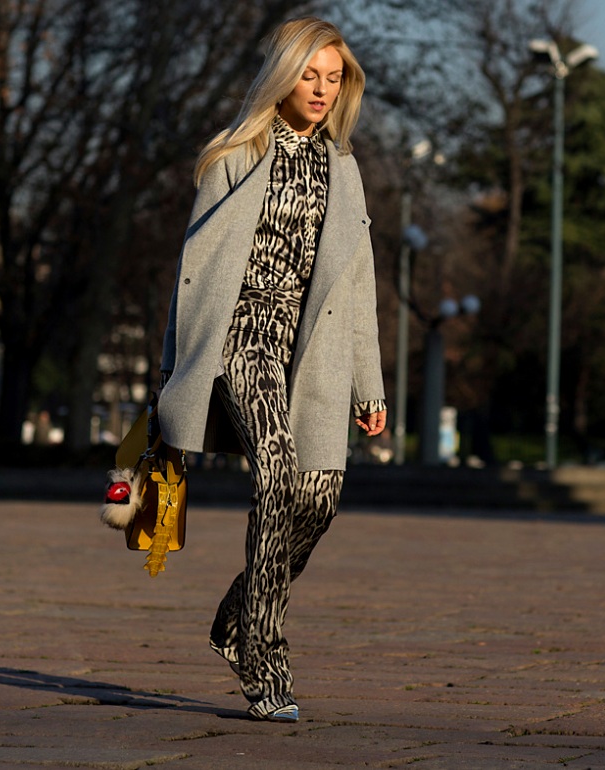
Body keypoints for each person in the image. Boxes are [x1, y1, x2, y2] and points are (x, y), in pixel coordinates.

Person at [155, 17, 386, 723]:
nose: (321, 89)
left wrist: (368, 384)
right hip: (242, 335)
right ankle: (264, 654)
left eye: (333, 76)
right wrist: (180, 370)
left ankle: (234, 614)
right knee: (279, 473)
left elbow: (357, 286)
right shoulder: (237, 153)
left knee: (320, 495)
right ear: (283, 77)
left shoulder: (342, 168)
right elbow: (196, 273)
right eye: (309, 75)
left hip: (309, 346)